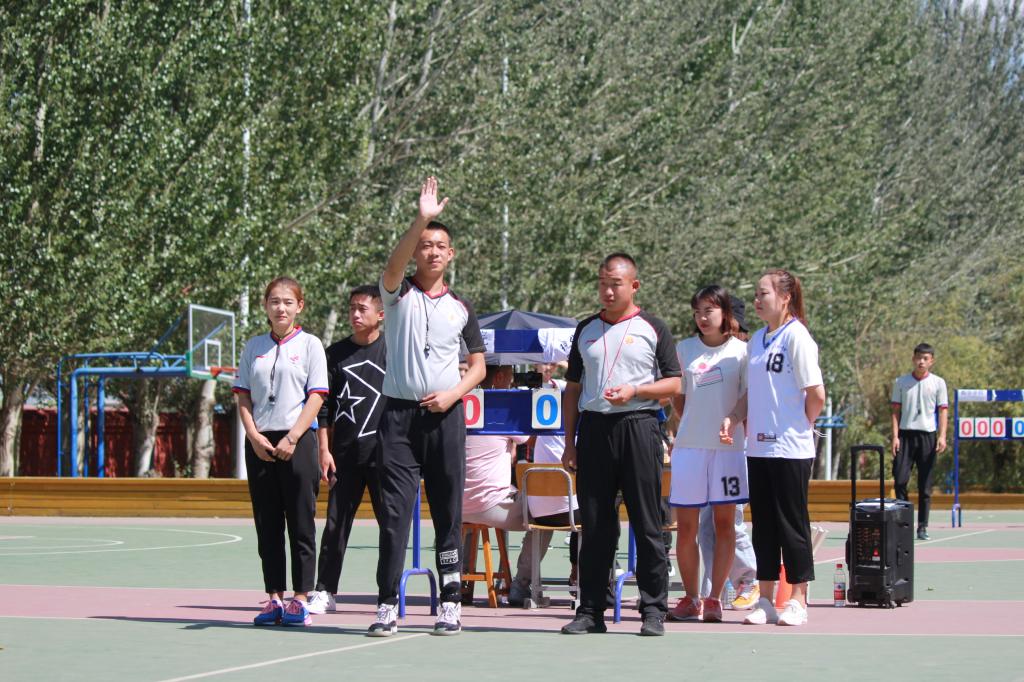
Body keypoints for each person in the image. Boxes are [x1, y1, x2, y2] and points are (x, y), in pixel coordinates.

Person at [369, 176, 486, 637]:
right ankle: (386, 605)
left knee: (447, 513)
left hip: (445, 419)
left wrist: (454, 394)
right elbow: (392, 265)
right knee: (394, 516)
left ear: (451, 254)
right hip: (398, 419)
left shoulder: (461, 307)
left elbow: (478, 366)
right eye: (425, 245)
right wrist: (421, 219)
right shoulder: (397, 294)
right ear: (416, 251)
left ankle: (450, 603)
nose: (432, 251)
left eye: (440, 246)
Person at [560, 253, 681, 637]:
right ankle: (591, 610)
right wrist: (569, 443)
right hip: (595, 431)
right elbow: (573, 389)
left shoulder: (653, 327)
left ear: (634, 286)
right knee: (595, 525)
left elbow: (674, 383)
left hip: (639, 427)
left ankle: (653, 610)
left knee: (647, 522)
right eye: (602, 283)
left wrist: (636, 391)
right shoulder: (585, 329)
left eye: (615, 284)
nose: (608, 291)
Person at [722, 269, 825, 627]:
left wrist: (801, 423)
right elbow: (752, 392)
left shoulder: (797, 337)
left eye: (763, 293)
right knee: (763, 526)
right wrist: (734, 416)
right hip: (759, 448)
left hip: (790, 449)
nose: (757, 300)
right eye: (755, 293)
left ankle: (797, 599)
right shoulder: (757, 340)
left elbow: (816, 394)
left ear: (785, 297)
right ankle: (765, 599)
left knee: (791, 524)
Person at [233, 277, 331, 627]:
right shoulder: (253, 346)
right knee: (267, 524)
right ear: (265, 306)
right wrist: (253, 435)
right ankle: (274, 596)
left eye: (288, 302)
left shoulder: (311, 345)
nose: (281, 308)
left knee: (301, 522)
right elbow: (243, 395)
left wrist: (293, 437)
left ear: (299, 306)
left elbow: (317, 395)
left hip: (298, 441)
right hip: (260, 443)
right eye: (274, 301)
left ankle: (300, 598)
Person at [667, 285, 749, 624]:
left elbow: (747, 397)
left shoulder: (742, 352)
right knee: (686, 527)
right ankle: (691, 597)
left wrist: (732, 421)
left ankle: (715, 598)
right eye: (698, 311)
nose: (702, 317)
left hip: (728, 451)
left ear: (725, 313)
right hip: (689, 449)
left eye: (709, 311)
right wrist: (691, 422)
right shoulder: (684, 349)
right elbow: (677, 395)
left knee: (725, 524)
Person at [306, 285, 387, 615]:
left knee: (391, 527)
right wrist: (324, 450)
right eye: (352, 308)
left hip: (385, 456)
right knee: (335, 525)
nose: (355, 314)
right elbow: (323, 409)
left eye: (362, 309)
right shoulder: (334, 354)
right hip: (345, 455)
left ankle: (388, 594)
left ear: (380, 314)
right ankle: (325, 590)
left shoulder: (394, 351)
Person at [696, 295, 758, 609]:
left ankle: (749, 580)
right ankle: (712, 591)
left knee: (730, 520)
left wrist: (737, 425)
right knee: (706, 525)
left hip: (736, 448)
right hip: (706, 447)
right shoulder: (708, 354)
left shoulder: (744, 355)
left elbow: (751, 402)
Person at [508, 361, 579, 607]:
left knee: (542, 523)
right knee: (599, 517)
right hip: (573, 511)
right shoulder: (582, 431)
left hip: (539, 510)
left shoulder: (543, 424)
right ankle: (590, 581)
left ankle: (520, 584)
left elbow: (526, 385)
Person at [461, 364, 529, 600]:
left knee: (477, 511)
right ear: (499, 377)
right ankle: (518, 584)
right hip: (492, 506)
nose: (512, 384)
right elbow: (527, 438)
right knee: (547, 514)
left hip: (458, 506)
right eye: (510, 378)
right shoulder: (501, 411)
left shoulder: (461, 405)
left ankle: (463, 582)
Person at [891, 343, 949, 540]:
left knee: (925, 486)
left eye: (925, 359)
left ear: (931, 361)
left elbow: (943, 410)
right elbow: (895, 411)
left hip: (927, 436)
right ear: (913, 359)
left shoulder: (938, 383)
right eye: (918, 358)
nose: (921, 362)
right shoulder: (901, 382)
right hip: (905, 436)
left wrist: (942, 435)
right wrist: (895, 436)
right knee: (900, 480)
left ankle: (922, 526)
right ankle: (903, 524)